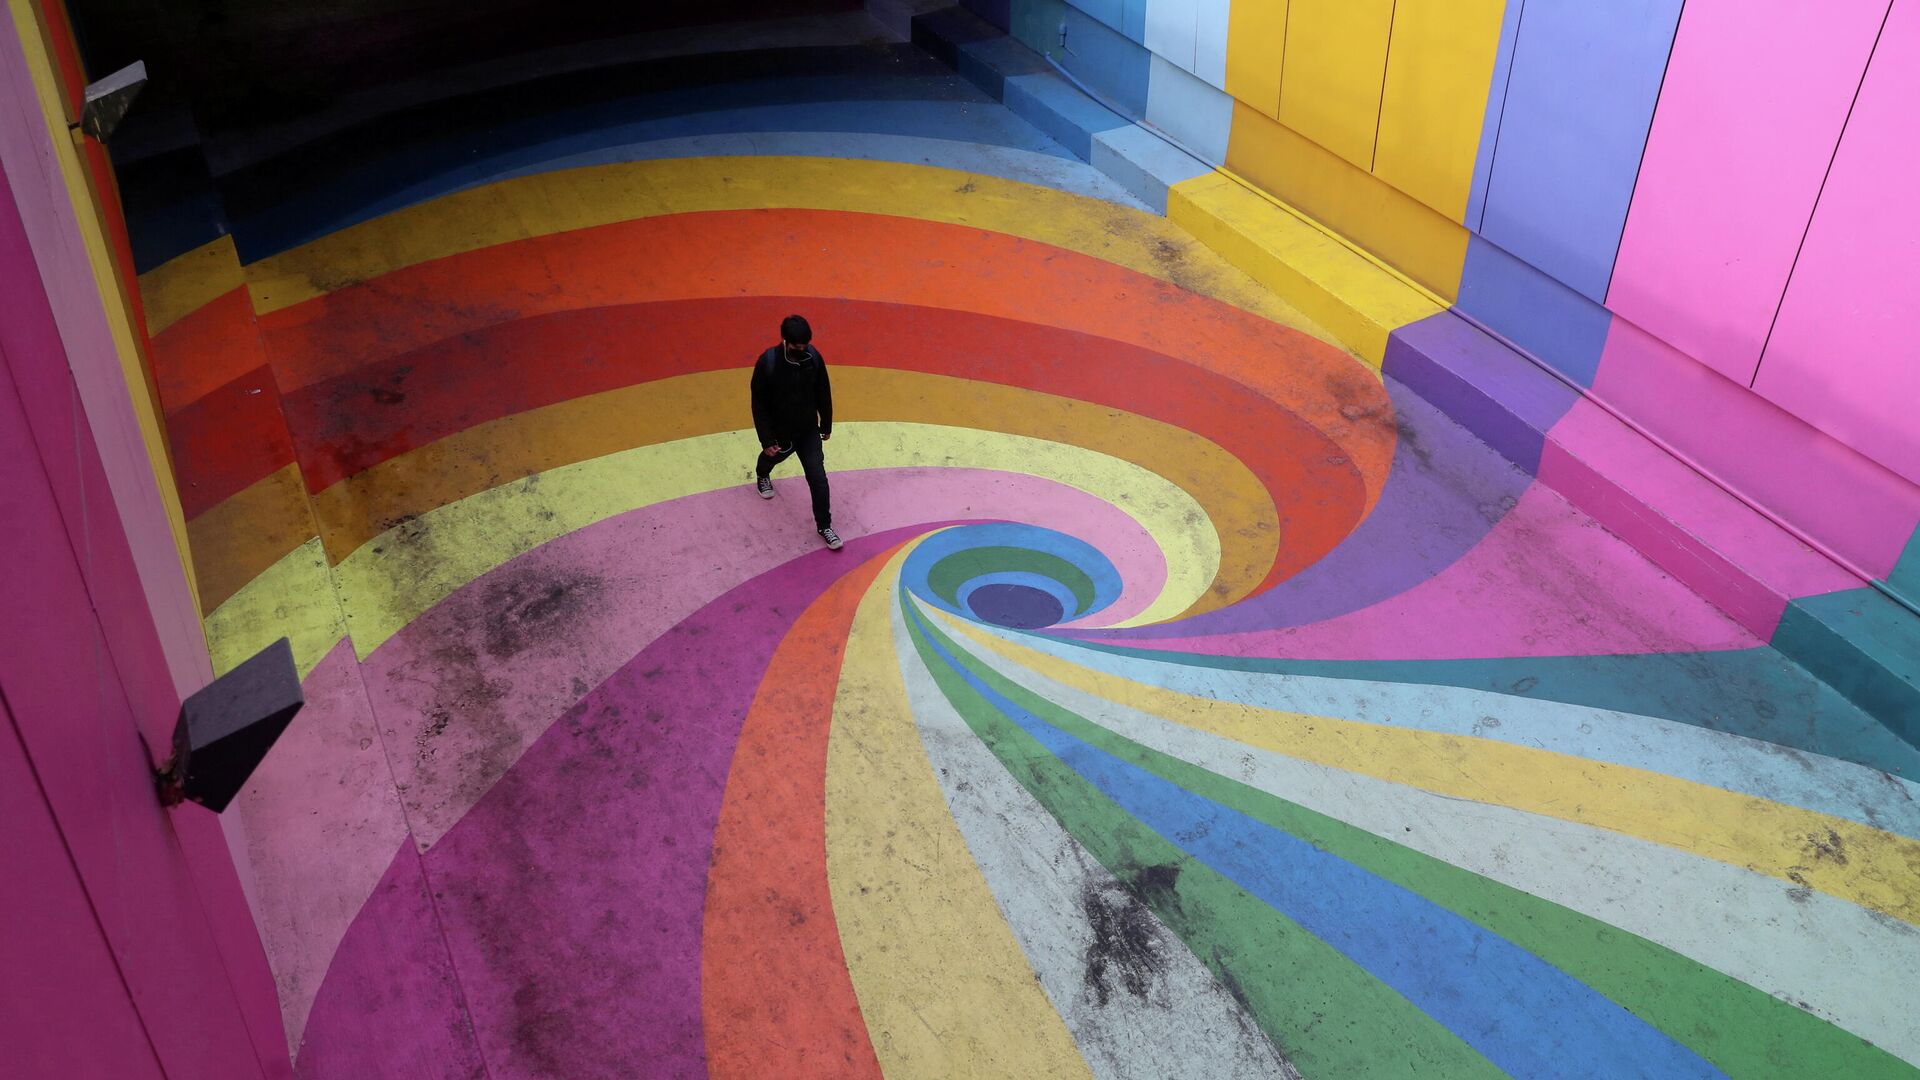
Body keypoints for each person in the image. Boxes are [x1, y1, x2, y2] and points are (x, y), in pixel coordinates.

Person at [751, 314, 841, 549]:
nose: (801, 350)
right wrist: (767, 439)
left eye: (804, 346)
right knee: (773, 456)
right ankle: (762, 474)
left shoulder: (813, 358)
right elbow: (758, 403)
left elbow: (823, 390)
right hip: (781, 432)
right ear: (785, 341)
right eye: (796, 347)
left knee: (818, 479)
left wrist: (826, 423)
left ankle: (825, 526)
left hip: (808, 430)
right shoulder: (768, 363)